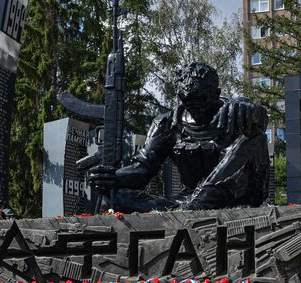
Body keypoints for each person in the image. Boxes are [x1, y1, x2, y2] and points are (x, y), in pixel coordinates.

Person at [89, 62, 269, 213]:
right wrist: (112, 177)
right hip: (185, 202)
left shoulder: (236, 113)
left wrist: (253, 112)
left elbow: (259, 124)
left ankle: (195, 207)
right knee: (113, 197)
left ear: (216, 94)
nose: (195, 110)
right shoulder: (168, 123)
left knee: (254, 138)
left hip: (235, 199)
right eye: (188, 102)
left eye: (201, 102)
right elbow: (143, 169)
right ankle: (189, 211)